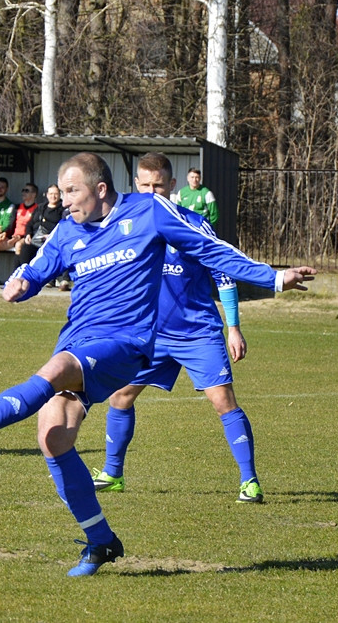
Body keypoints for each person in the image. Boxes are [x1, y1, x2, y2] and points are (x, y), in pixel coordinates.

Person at [0, 152, 315, 576]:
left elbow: (211, 250)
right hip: (78, 339)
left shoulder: (148, 212)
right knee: (53, 436)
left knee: (58, 368)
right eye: (60, 192)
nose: (64, 200)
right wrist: (19, 285)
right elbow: (35, 271)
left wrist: (274, 277)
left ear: (100, 190)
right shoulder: (66, 232)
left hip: (125, 344)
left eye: (72, 191)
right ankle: (101, 542)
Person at [86, 153, 262, 502]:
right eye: (146, 185)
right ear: (136, 185)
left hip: (197, 332)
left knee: (223, 400)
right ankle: (113, 473)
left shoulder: (194, 225)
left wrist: (234, 328)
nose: (153, 192)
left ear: (172, 186)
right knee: (120, 395)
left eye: (159, 186)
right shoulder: (126, 227)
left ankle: (250, 481)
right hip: (149, 334)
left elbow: (224, 276)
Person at [18, 183, 64, 267]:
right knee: (25, 249)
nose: (53, 196)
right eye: (51, 194)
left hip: (50, 241)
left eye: (55, 194)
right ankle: (22, 275)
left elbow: (64, 228)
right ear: (47, 195)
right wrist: (28, 234)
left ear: (59, 195)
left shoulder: (62, 209)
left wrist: (51, 236)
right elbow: (30, 223)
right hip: (35, 239)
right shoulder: (40, 207)